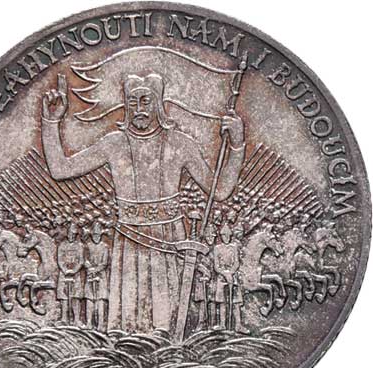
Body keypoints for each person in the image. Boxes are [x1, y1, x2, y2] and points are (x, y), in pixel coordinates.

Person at [42, 73, 245, 334]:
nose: (139, 108)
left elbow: (221, 190)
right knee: (126, 328)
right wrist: (51, 122)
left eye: (145, 101)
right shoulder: (114, 143)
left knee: (168, 322)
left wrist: (237, 145)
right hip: (129, 239)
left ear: (158, 103)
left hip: (169, 239)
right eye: (132, 101)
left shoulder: (180, 144)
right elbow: (60, 169)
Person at [213, 222, 249, 333]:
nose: (226, 238)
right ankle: (222, 324)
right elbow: (216, 266)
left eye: (228, 235)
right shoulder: (217, 248)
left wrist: (231, 273)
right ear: (221, 236)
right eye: (224, 235)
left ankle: (238, 325)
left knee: (236, 302)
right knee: (222, 302)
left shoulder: (234, 247)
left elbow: (236, 263)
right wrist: (225, 274)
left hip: (233, 277)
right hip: (221, 277)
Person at [56, 223, 84, 324]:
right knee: (63, 296)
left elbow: (81, 260)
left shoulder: (79, 246)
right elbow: (59, 259)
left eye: (74, 234)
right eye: (70, 233)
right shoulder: (62, 245)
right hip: (64, 273)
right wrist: (65, 270)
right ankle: (64, 318)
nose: (72, 236)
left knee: (76, 296)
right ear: (67, 234)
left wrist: (74, 270)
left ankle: (76, 319)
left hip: (75, 274)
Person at [84, 221, 110, 332]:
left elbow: (105, 262)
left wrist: (96, 269)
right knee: (89, 299)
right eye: (94, 234)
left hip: (101, 276)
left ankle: (101, 324)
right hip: (90, 275)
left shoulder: (105, 247)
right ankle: (89, 322)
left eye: (98, 234)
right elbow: (85, 259)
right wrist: (89, 267)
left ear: (101, 234)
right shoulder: (88, 246)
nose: (96, 236)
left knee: (100, 300)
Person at [193, 224, 217, 330]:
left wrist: (210, 273)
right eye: (208, 236)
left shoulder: (216, 250)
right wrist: (202, 269)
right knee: (203, 301)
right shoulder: (200, 249)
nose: (210, 238)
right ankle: (201, 323)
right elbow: (195, 262)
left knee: (212, 301)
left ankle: (212, 324)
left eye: (212, 236)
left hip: (214, 279)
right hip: (201, 279)